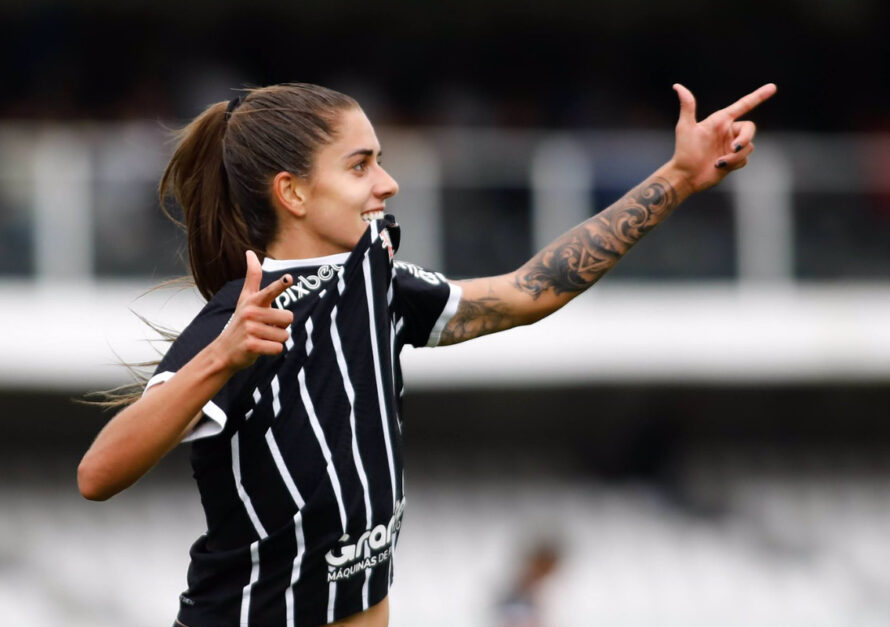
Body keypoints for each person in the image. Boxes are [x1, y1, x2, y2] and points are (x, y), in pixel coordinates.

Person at [77, 81, 776, 627]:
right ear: (291, 191)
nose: (387, 183)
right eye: (361, 166)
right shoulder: (240, 318)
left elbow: (529, 291)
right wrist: (217, 361)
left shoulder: (374, 281)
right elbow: (97, 473)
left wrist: (678, 179)